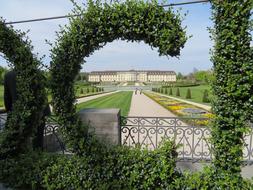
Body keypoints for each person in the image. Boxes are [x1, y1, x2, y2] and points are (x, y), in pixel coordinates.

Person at [3, 70, 50, 150]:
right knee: (38, 141)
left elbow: (7, 98)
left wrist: (11, 113)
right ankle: (37, 157)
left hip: (19, 114)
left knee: (16, 141)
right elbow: (42, 94)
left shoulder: (9, 75)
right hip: (38, 113)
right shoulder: (36, 73)